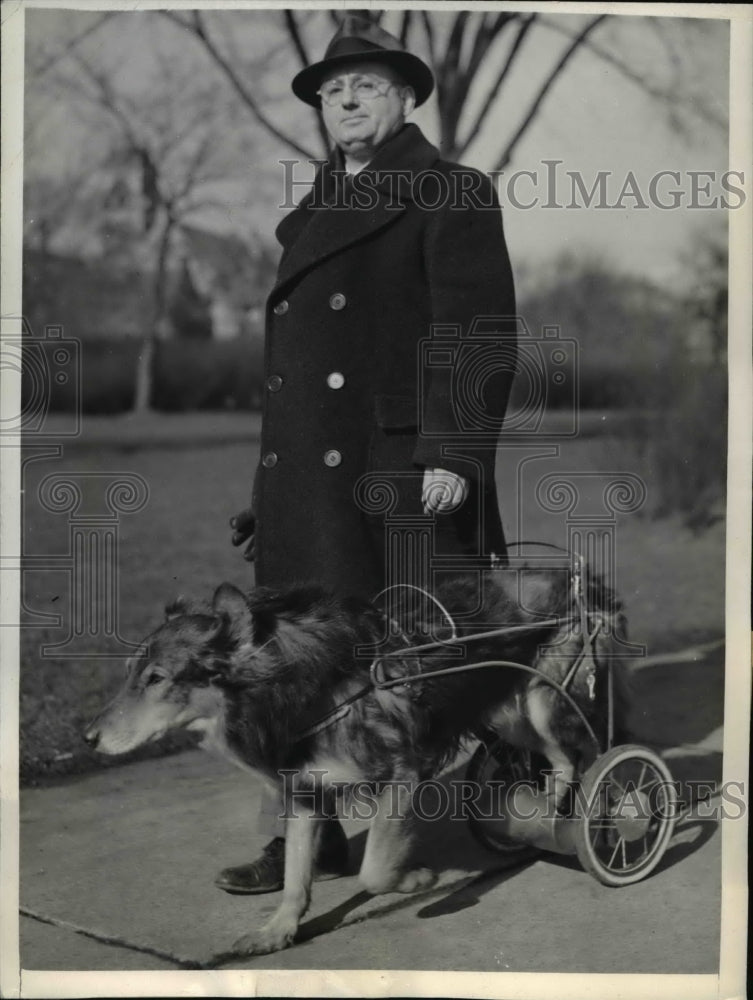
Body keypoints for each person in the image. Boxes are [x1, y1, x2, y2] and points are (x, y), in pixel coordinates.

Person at [220, 15, 517, 894]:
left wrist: (451, 455)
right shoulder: (309, 212)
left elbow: (477, 337)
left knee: (398, 664)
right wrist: (261, 496)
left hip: (397, 475)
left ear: (406, 96)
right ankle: (306, 839)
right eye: (332, 92)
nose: (345, 100)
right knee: (290, 663)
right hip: (311, 483)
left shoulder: (450, 191)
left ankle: (406, 830)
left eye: (367, 86)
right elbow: (296, 393)